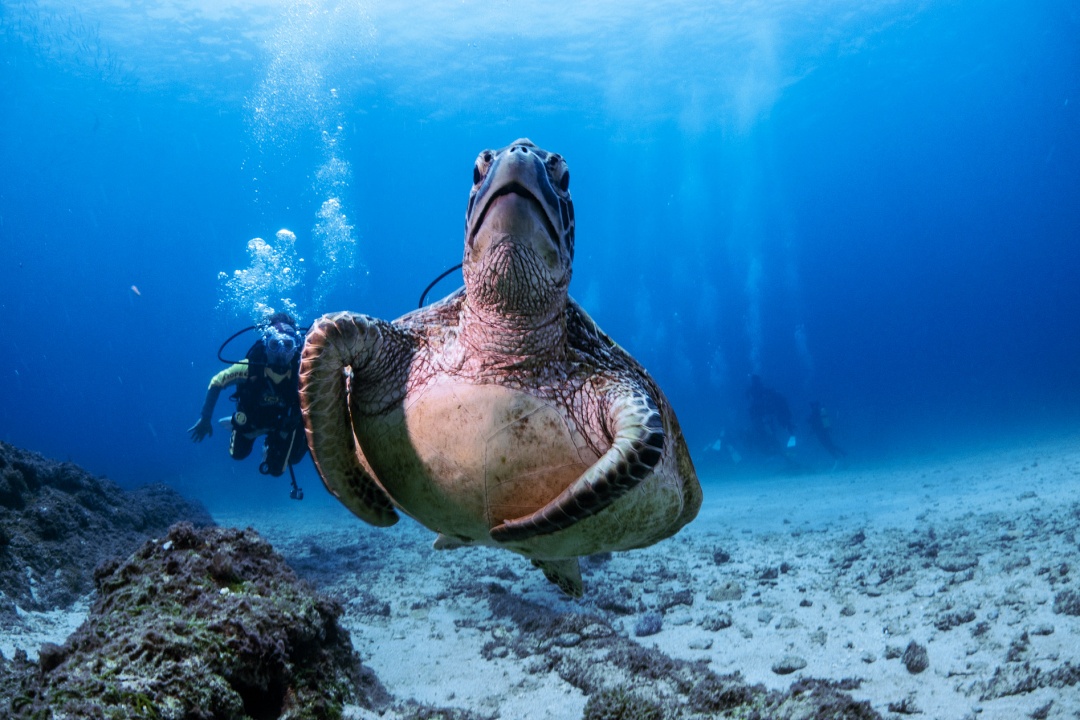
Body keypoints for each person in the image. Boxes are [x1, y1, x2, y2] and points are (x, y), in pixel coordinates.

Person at [189, 312, 308, 494]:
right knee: (237, 455)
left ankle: (271, 444)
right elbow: (216, 382)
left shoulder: (303, 374)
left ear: (296, 347)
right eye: (275, 345)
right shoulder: (249, 367)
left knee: (278, 470)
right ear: (266, 345)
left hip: (282, 426)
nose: (281, 354)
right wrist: (205, 418)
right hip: (253, 421)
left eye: (288, 345)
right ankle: (242, 424)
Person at [745, 374, 796, 457]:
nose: (757, 382)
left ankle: (778, 452)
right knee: (769, 434)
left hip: (762, 416)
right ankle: (779, 452)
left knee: (768, 434)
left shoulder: (753, 390)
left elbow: (750, 399)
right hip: (763, 416)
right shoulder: (760, 389)